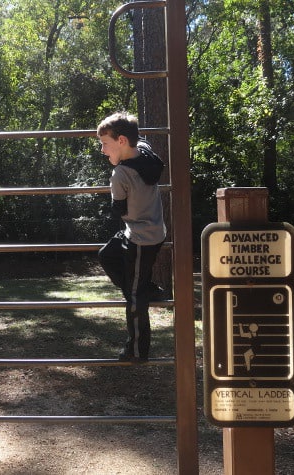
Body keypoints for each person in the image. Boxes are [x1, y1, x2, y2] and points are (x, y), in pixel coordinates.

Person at [97, 112, 167, 362]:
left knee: (135, 299)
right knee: (107, 255)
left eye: (105, 144)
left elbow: (119, 209)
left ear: (122, 141)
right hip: (150, 230)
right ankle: (144, 288)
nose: (103, 150)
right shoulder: (146, 152)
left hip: (140, 238)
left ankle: (137, 350)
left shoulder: (120, 175)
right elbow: (143, 141)